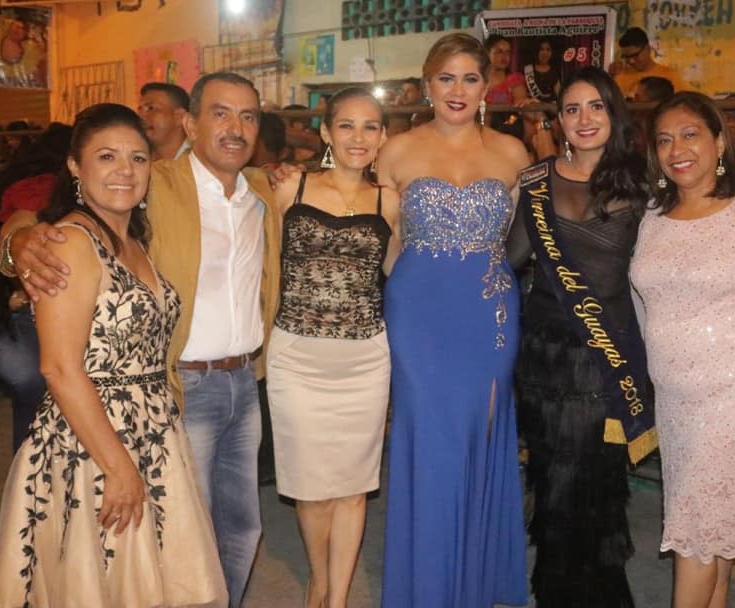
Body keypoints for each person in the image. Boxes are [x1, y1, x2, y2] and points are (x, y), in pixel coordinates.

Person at [0, 72, 284, 608]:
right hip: (180, 390)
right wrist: (19, 242)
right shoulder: (159, 185)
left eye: (248, 116)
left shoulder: (265, 190)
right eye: (220, 113)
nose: (235, 127)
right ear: (189, 124)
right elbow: (29, 218)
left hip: (238, 387)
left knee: (237, 532)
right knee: (151, 554)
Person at [376, 32, 532, 608]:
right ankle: (429, 585)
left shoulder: (513, 154)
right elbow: (384, 242)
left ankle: (471, 581)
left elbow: (526, 238)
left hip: (488, 312)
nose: (458, 89)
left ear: (487, 86)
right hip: (418, 312)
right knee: (428, 438)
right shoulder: (396, 151)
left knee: (477, 431)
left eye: (470, 78)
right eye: (446, 78)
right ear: (427, 85)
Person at [507, 66, 651, 607]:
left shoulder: (645, 182)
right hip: (544, 359)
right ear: (559, 121)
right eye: (572, 109)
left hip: (606, 360)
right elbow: (509, 260)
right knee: (552, 481)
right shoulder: (535, 181)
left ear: (614, 114)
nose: (584, 119)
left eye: (596, 106)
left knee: (596, 486)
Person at [630, 91, 735, 607]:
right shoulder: (653, 216)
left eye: (690, 135)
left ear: (719, 142)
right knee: (712, 541)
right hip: (674, 402)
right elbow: (643, 305)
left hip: (730, 401)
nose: (677, 150)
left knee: (695, 538)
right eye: (664, 140)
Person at [265, 87, 400, 608]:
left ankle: (336, 598)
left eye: (370, 126)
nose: (358, 137)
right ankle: (319, 581)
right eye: (346, 125)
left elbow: (403, 276)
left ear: (383, 136)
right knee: (311, 488)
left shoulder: (390, 201)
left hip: (365, 359)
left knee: (353, 486)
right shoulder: (289, 187)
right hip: (297, 358)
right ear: (325, 132)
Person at [0, 123, 71, 452]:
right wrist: (16, 256)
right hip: (4, 309)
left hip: (1, 306)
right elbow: (14, 237)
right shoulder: (41, 188)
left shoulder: (8, 181)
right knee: (38, 390)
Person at [610, 27, 687, 98]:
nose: (631, 61)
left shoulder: (670, 76)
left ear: (648, 49)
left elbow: (685, 102)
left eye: (635, 55)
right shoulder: (620, 76)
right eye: (626, 56)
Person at [484, 33, 528, 140]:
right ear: (487, 53)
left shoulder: (514, 80)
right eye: (499, 52)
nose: (504, 56)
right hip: (479, 129)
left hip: (508, 127)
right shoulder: (477, 80)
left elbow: (521, 113)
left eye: (508, 52)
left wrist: (507, 124)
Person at [137, 81, 190, 161]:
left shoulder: (201, 161)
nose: (141, 116)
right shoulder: (139, 160)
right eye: (140, 109)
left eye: (151, 108)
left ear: (179, 116)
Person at [523, 39, 560, 103]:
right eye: (541, 49)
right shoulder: (527, 70)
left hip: (549, 107)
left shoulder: (554, 72)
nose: (544, 53)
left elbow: (559, 95)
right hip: (531, 107)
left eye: (548, 50)